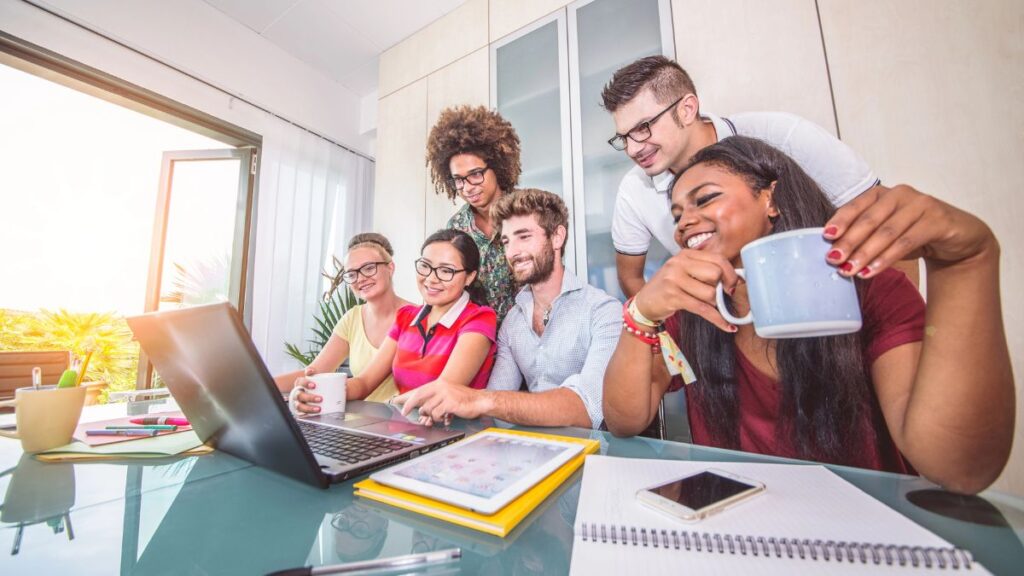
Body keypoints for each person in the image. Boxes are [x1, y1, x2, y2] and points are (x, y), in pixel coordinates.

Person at [602, 136, 1014, 495]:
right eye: (676, 217)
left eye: (705, 199)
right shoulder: (694, 314)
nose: (684, 224)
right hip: (741, 531)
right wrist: (640, 315)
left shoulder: (870, 292)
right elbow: (625, 419)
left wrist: (965, 264)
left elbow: (957, 465)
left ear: (770, 198)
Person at [602, 55, 898, 298]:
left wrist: (896, 326)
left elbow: (884, 221)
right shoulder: (634, 189)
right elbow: (631, 279)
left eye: (643, 128)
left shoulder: (783, 136)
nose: (632, 148)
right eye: (623, 138)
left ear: (687, 109)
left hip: (829, 305)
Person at [395, 189, 620, 429]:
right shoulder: (513, 321)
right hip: (529, 450)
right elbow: (497, 407)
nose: (512, 252)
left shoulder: (604, 312)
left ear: (557, 237)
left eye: (524, 237)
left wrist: (478, 399)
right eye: (506, 241)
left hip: (594, 452)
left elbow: (589, 409)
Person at [293, 229, 498, 414]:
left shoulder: (479, 318)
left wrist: (393, 402)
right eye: (425, 266)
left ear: (470, 277)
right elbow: (365, 383)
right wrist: (317, 391)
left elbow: (442, 392)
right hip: (406, 431)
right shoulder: (406, 317)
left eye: (446, 271)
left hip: (455, 434)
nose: (431, 279)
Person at [274, 233, 411, 402]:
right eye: (352, 274)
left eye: (369, 268)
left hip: (399, 421)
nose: (360, 278)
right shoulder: (352, 318)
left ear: (390, 268)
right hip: (359, 419)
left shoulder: (417, 318)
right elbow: (315, 371)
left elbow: (364, 384)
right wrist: (265, 385)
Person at [426, 105, 522, 322]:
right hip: (479, 341)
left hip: (532, 339)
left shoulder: (528, 210)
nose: (468, 187)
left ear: (497, 167)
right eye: (458, 179)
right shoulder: (456, 227)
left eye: (476, 174)